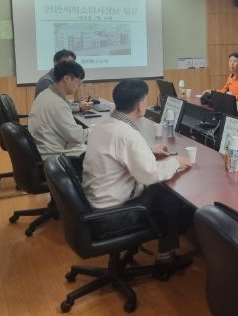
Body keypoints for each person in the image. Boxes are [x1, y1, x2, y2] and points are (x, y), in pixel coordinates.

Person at [81, 79, 193, 273]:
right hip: (113, 214)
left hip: (94, 205)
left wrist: (148, 151)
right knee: (169, 195)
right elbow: (149, 175)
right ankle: (166, 258)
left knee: (161, 188)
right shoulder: (127, 134)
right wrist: (175, 162)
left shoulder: (104, 125)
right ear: (140, 104)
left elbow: (119, 153)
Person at [28, 61, 89, 158]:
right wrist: (95, 130)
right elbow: (77, 137)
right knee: (97, 152)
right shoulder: (58, 104)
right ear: (67, 79)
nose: (79, 86)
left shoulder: (46, 93)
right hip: (54, 155)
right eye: (78, 82)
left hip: (45, 147)